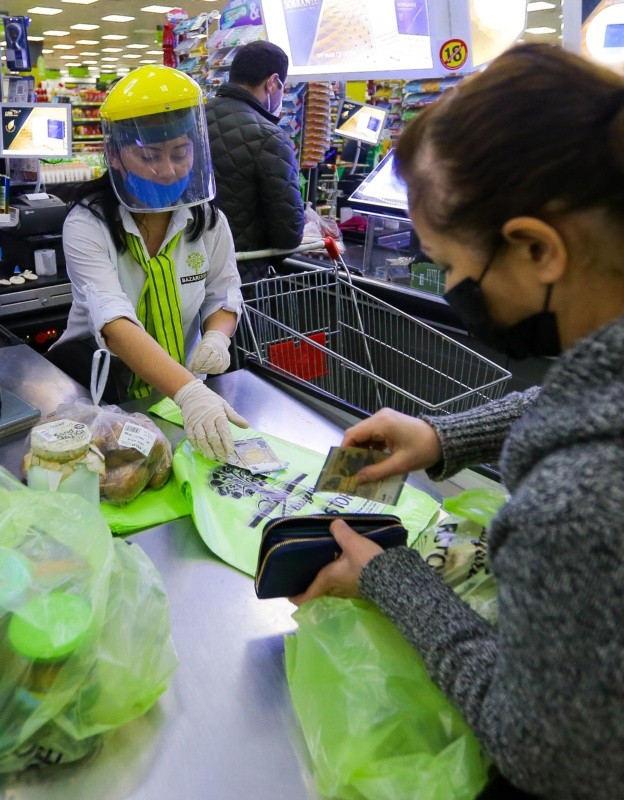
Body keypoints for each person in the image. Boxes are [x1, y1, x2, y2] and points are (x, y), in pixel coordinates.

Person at [292, 42, 624, 800]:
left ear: (537, 248)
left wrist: (388, 577)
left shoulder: (577, 508)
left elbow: (544, 749)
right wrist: (444, 436)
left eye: (447, 265)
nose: (448, 288)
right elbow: (596, 398)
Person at [48, 65, 248, 463]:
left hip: (183, 388)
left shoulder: (206, 221)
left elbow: (223, 292)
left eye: (180, 153)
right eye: (149, 156)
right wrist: (189, 392)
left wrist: (217, 338)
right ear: (117, 156)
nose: (169, 170)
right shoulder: (87, 225)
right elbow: (115, 324)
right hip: (100, 388)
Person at [205, 40, 305, 283]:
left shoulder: (194, 118)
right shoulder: (270, 137)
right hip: (240, 277)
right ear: (273, 83)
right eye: (284, 87)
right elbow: (288, 235)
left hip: (190, 268)